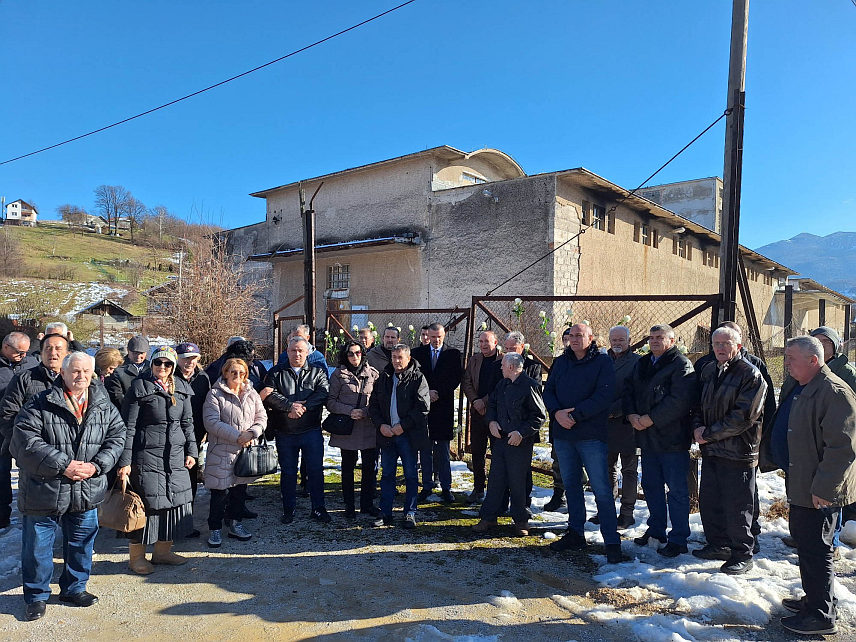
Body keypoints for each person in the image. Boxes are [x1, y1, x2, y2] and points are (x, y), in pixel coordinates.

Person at [10, 352, 126, 621]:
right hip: (45, 488)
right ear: (62, 373)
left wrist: (97, 465)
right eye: (75, 371)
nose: (81, 376)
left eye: (86, 371)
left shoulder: (103, 404)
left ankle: (74, 588)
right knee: (38, 547)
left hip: (86, 487)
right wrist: (65, 465)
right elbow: (25, 442)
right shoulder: (39, 403)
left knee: (81, 543)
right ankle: (36, 596)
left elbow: (117, 436)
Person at [764, 336, 856, 635]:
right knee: (808, 546)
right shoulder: (808, 387)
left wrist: (825, 490)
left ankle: (820, 616)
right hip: (803, 485)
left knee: (818, 549)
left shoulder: (834, 392)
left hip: (819, 491)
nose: (786, 362)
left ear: (813, 361)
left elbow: (842, 449)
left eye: (791, 358)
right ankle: (817, 600)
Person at [544, 323, 622, 564]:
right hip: (563, 435)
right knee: (571, 485)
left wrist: (575, 415)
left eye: (580, 335)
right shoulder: (561, 361)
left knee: (600, 488)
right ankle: (575, 532)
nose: (574, 339)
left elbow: (604, 395)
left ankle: (611, 540)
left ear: (591, 338)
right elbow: (549, 391)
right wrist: (557, 413)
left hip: (590, 434)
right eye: (571, 335)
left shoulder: (602, 361)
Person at [116, 346, 197, 575]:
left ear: (173, 367)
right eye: (158, 363)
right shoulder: (139, 388)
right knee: (147, 507)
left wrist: (192, 452)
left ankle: (162, 552)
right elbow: (128, 427)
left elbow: (188, 423)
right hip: (147, 457)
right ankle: (137, 558)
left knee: (173, 504)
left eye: (168, 364)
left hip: (175, 458)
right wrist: (125, 461)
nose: (162, 367)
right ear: (151, 364)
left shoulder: (182, 389)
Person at [692, 326, 767, 574]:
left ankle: (742, 553)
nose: (720, 348)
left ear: (738, 345)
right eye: (716, 344)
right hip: (712, 450)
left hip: (738, 452)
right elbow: (698, 405)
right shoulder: (709, 370)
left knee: (738, 507)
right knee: (711, 502)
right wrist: (697, 428)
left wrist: (708, 433)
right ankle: (717, 544)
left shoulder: (751, 375)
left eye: (726, 343)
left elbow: (744, 416)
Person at [625, 324, 696, 557]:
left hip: (672, 439)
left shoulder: (681, 364)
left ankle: (679, 538)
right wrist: (632, 414)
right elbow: (631, 391)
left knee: (676, 490)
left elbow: (679, 401)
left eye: (660, 337)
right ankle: (656, 530)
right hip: (647, 438)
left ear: (672, 341)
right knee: (651, 486)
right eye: (651, 337)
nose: (654, 341)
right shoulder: (643, 363)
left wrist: (650, 419)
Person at [472, 353, 546, 536]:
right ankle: (488, 517)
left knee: (518, 482)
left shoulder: (530, 386)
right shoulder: (502, 384)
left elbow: (538, 416)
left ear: (512, 367)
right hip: (500, 440)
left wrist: (521, 433)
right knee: (496, 480)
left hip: (519, 443)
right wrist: (491, 422)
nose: (501, 368)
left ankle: (521, 520)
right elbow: (493, 407)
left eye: (503, 365)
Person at [261, 337, 330, 524]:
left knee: (316, 470)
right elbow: (268, 395)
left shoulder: (318, 372)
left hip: (311, 430)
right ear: (287, 351)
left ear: (308, 352)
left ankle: (318, 508)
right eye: (293, 350)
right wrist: (289, 406)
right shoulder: (276, 372)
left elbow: (323, 393)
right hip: (285, 431)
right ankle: (288, 509)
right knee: (288, 472)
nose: (297, 354)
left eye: (300, 350)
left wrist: (303, 408)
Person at [203, 357, 267, 548]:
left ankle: (235, 523)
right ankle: (215, 528)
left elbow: (261, 416)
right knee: (219, 492)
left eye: (241, 372)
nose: (237, 376)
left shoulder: (251, 393)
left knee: (240, 491)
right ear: (225, 373)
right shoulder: (215, 394)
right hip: (222, 451)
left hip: (244, 451)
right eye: (233, 372)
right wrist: (238, 436)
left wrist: (252, 433)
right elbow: (211, 422)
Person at [368, 343, 430, 529]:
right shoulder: (384, 377)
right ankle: (385, 512)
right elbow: (374, 406)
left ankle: (409, 513)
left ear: (408, 358)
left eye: (400, 358)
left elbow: (423, 408)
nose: (396, 361)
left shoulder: (418, 378)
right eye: (393, 357)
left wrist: (403, 426)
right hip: (387, 434)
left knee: (411, 475)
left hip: (408, 436)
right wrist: (381, 426)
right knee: (387, 474)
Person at [326, 341, 380, 518]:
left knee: (369, 468)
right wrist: (350, 411)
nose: (355, 357)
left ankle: (367, 504)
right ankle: (349, 505)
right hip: (347, 428)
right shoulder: (338, 375)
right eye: (350, 354)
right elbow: (331, 402)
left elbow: (380, 401)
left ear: (363, 354)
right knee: (348, 468)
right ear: (345, 355)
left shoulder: (373, 374)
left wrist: (366, 411)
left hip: (368, 427)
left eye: (358, 353)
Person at [412, 323, 462, 503]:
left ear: (444, 335)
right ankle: (426, 485)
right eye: (432, 337)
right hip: (423, 407)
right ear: (428, 336)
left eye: (439, 336)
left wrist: (437, 392)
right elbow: (415, 377)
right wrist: (427, 393)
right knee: (425, 449)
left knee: (443, 450)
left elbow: (455, 378)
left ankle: (446, 487)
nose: (435, 340)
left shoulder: (453, 354)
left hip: (443, 407)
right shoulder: (417, 354)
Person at [600, 325, 642, 530]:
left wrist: (614, 410)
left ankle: (627, 513)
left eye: (621, 340)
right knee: (606, 469)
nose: (617, 343)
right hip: (603, 424)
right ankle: (606, 510)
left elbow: (635, 393)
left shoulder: (636, 362)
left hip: (626, 423)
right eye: (614, 340)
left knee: (629, 470)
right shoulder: (602, 360)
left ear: (629, 341)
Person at [0, 331, 38, 529]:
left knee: (31, 471)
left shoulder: (32, 364)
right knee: (1, 473)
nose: (23, 356)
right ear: (6, 347)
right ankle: (2, 516)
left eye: (26, 352)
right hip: (2, 428)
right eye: (19, 352)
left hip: (29, 429)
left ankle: (32, 514)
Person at [175, 342, 213, 535]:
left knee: (190, 476)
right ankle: (169, 523)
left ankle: (186, 521)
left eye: (192, 359)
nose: (189, 363)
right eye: (184, 358)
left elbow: (207, 407)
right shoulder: (170, 377)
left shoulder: (202, 378)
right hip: (172, 436)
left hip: (195, 435)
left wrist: (206, 430)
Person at [461, 330, 502, 504]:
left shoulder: (503, 360)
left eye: (487, 341)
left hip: (495, 414)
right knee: (477, 452)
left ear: (495, 342)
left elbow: (501, 385)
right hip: (477, 413)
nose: (484, 344)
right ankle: (478, 488)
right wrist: (475, 400)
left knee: (497, 453)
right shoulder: (475, 359)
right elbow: (467, 381)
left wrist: (483, 402)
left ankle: (496, 490)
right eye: (481, 341)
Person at [105, 335, 150, 410]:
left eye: (141, 353)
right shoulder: (117, 368)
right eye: (135, 353)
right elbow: (116, 396)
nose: (138, 356)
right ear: (128, 350)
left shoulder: (152, 368)